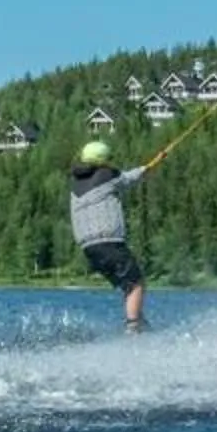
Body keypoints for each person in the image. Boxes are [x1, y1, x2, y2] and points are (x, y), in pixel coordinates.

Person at [67, 140, 151, 333]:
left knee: (127, 285)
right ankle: (133, 328)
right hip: (109, 243)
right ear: (103, 161)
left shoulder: (75, 184)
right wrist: (146, 169)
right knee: (136, 282)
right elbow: (129, 179)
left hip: (89, 249)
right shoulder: (107, 175)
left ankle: (138, 321)